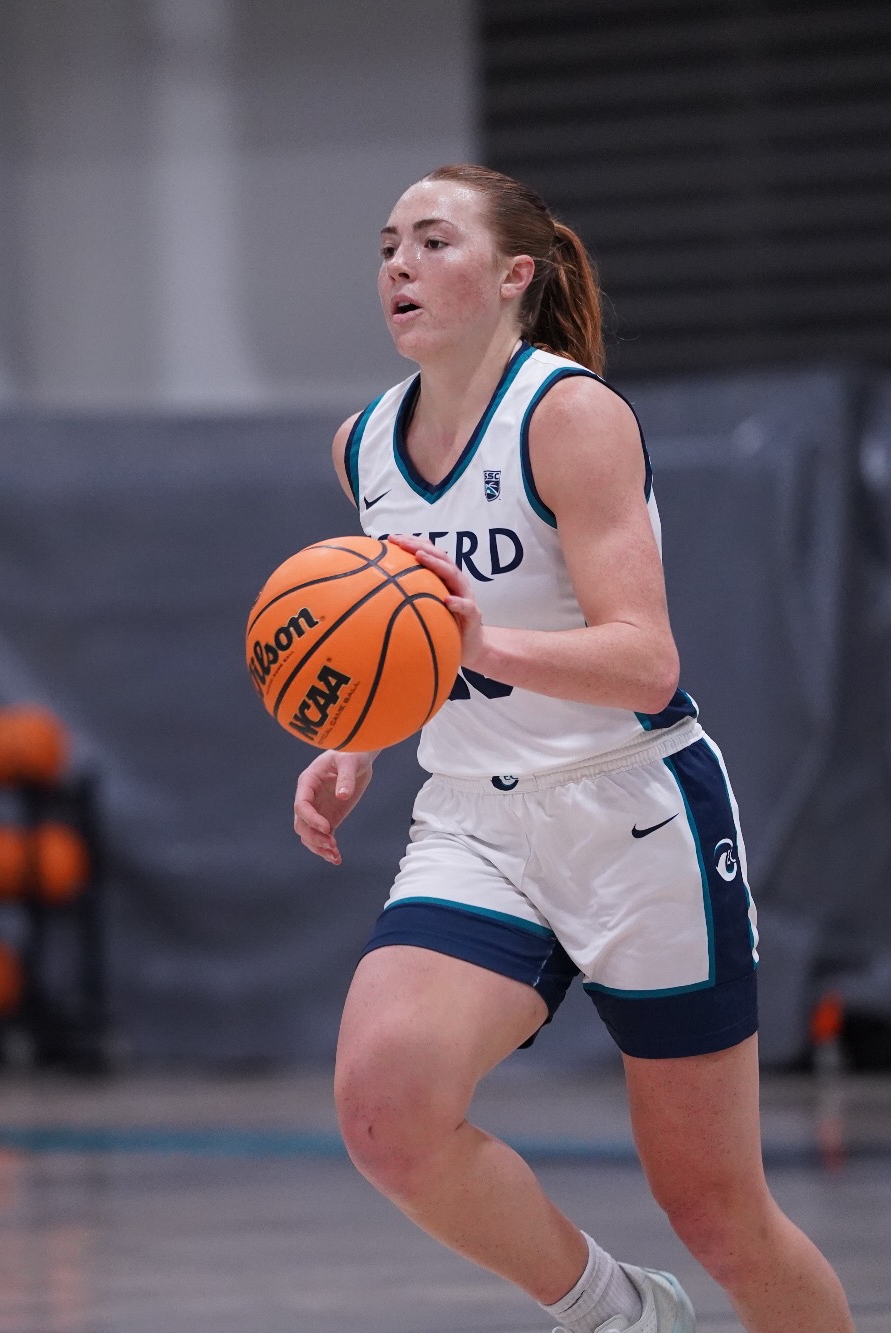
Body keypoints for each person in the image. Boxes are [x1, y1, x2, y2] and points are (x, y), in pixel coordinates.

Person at [292, 166, 855, 1333]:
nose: (395, 264)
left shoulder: (570, 415)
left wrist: (480, 641)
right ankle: (617, 1311)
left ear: (512, 277)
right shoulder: (363, 447)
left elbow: (642, 660)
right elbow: (405, 651)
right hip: (476, 821)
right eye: (385, 243)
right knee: (385, 1111)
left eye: (430, 241)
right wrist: (354, 737)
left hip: (630, 813)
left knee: (717, 1213)